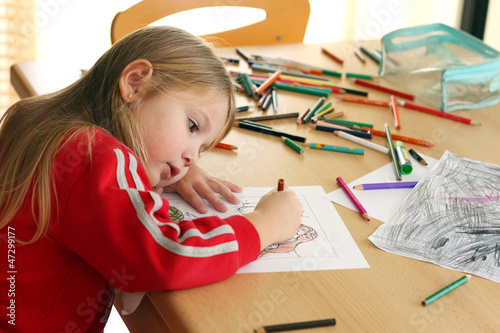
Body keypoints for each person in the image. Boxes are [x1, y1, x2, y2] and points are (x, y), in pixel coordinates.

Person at [0, 26, 303, 332]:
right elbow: (165, 255)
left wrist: (166, 161)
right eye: (193, 126)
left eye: (201, 149)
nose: (193, 158)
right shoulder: (96, 157)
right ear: (135, 84)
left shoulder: (33, 118)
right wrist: (263, 225)